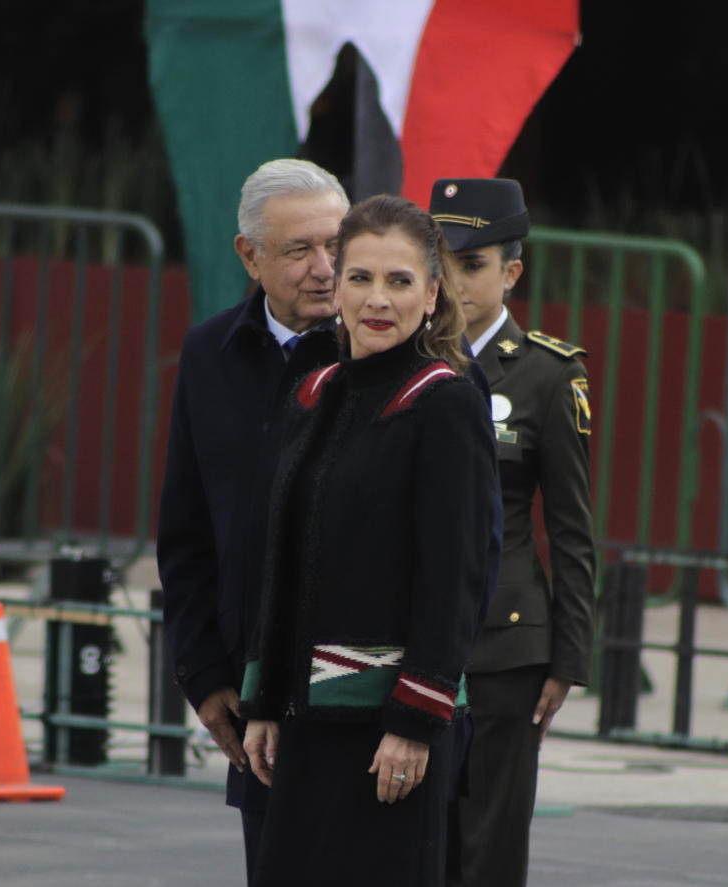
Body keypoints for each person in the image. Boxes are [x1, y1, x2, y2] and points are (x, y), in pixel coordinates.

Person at [240, 194, 498, 887]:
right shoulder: (316, 390)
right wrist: (263, 700)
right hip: (304, 726)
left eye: (399, 280)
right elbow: (283, 561)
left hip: (388, 735)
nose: (376, 299)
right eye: (360, 278)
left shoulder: (445, 401)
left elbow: (458, 577)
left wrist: (415, 718)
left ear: (432, 292)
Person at [156, 158, 349, 880]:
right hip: (251, 685)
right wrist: (204, 675)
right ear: (250, 255)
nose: (325, 269)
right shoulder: (211, 354)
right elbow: (186, 531)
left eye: (337, 244)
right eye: (300, 250)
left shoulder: (384, 359)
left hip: (358, 683)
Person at [429, 178, 597, 887]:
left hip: (506, 644)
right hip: (414, 632)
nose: (455, 282)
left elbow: (571, 528)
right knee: (413, 840)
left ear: (511, 273)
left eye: (473, 265)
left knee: (488, 844)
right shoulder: (403, 358)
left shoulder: (547, 375)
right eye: (443, 262)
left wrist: (567, 657)